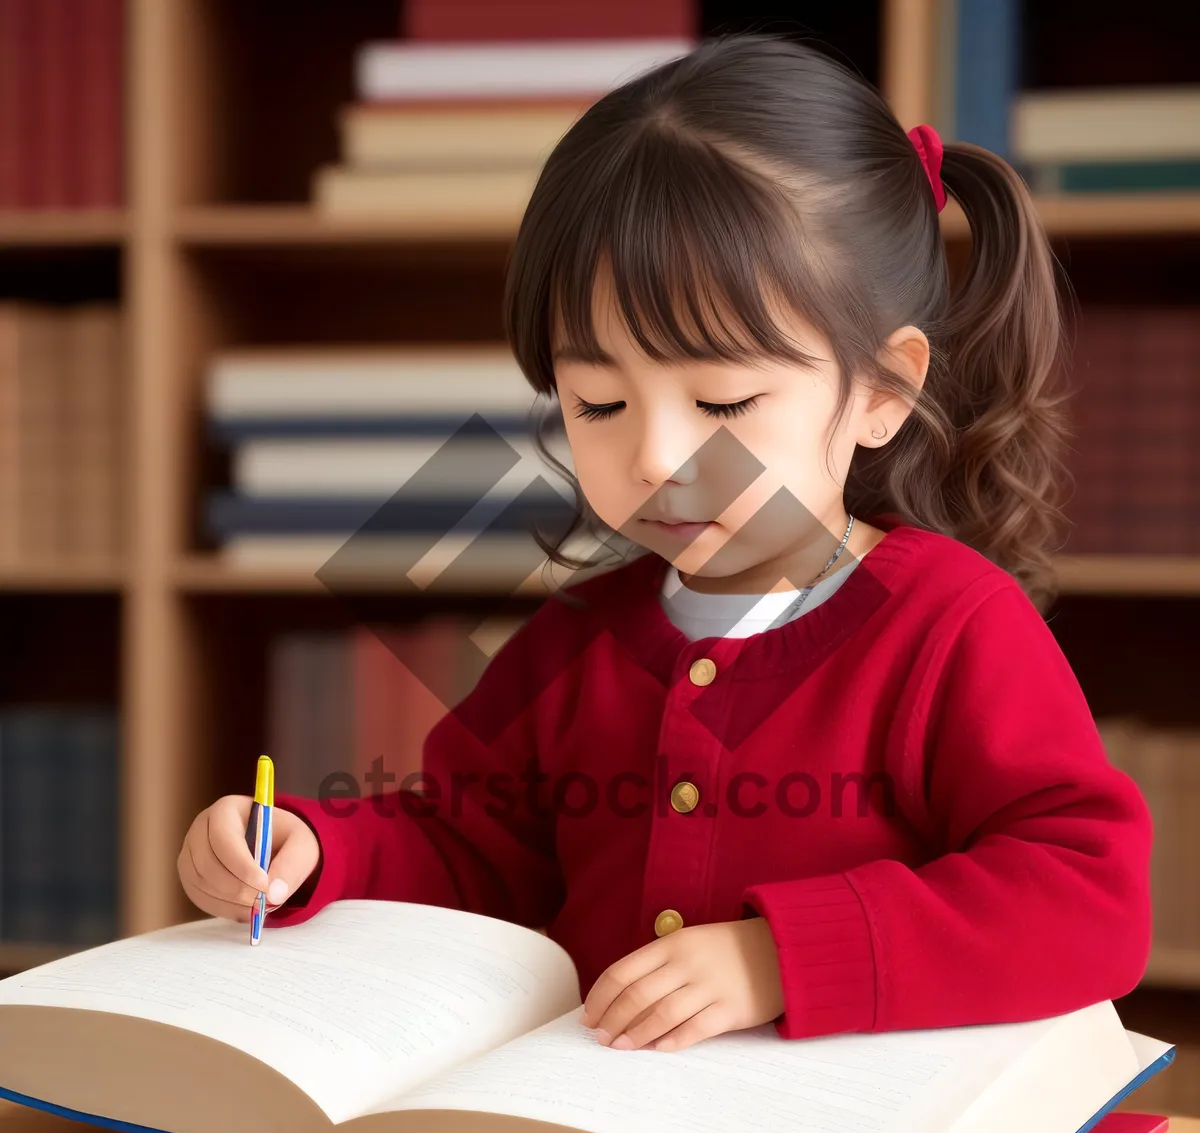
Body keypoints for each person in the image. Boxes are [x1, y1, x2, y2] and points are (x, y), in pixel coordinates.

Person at [177, 34, 1151, 1054]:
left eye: (722, 399)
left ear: (882, 390)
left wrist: (778, 959)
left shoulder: (951, 626)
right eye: (597, 402)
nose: (654, 454)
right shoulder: (574, 642)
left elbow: (1088, 897)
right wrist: (309, 853)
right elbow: (468, 850)